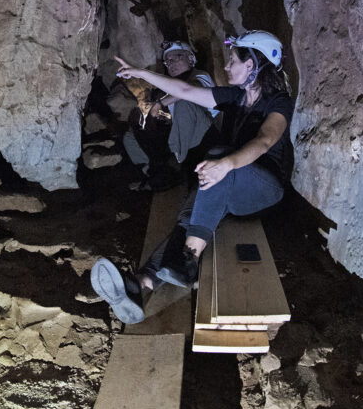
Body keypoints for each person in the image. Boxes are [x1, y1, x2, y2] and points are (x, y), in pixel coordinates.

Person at [90, 30, 294, 324]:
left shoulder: (278, 102)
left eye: (232, 61)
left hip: (264, 190)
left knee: (217, 158)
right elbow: (184, 92)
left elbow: (264, 140)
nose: (226, 67)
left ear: (251, 65)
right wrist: (141, 73)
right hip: (229, 185)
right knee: (189, 216)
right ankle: (141, 283)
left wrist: (226, 163)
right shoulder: (235, 97)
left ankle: (189, 261)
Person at [122, 41, 217, 191]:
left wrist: (160, 104)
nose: (171, 63)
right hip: (179, 132)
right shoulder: (167, 86)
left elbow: (191, 90)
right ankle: (157, 170)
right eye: (168, 61)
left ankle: (173, 165)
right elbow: (163, 114)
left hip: (202, 132)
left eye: (177, 57)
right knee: (131, 135)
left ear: (190, 59)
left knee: (184, 104)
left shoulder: (199, 75)